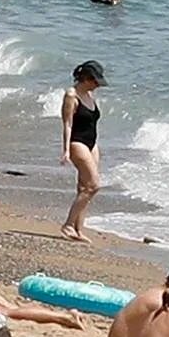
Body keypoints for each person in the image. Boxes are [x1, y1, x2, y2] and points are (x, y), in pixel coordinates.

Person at [59, 59, 106, 239]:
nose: (97, 86)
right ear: (86, 78)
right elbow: (67, 123)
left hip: (92, 144)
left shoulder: (90, 95)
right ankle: (68, 225)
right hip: (77, 143)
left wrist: (95, 146)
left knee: (83, 188)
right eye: (95, 82)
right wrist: (65, 150)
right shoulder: (71, 95)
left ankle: (78, 229)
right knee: (93, 186)